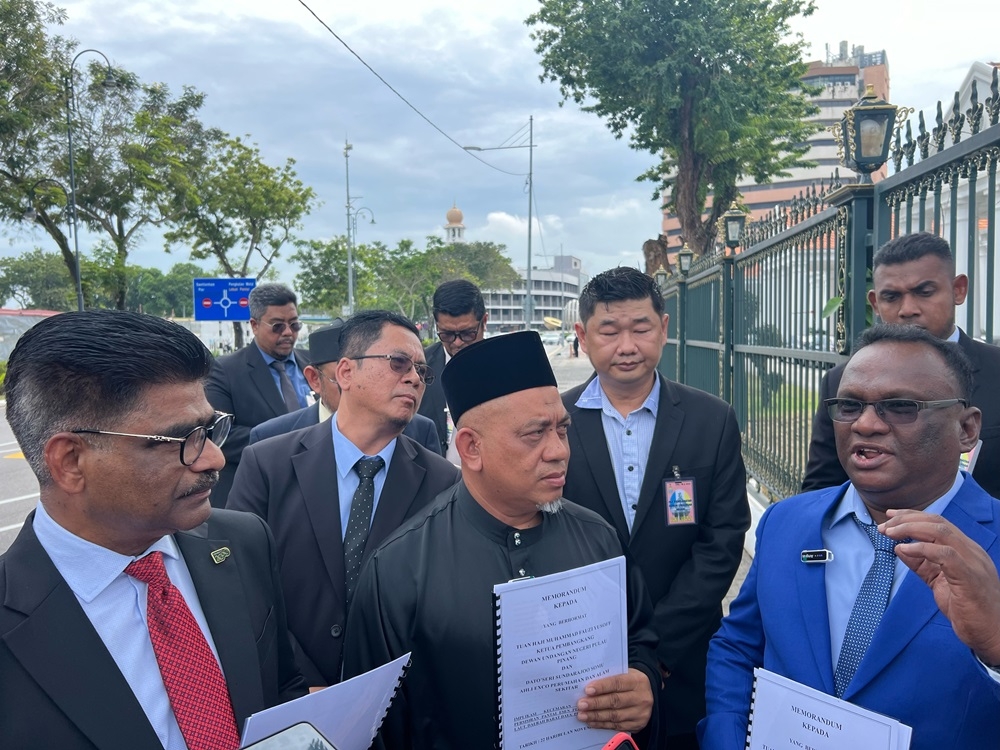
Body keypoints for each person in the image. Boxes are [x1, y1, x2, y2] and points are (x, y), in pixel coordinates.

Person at [0, 310, 305, 749]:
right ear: (70, 461)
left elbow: (280, 690)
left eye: (210, 430)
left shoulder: (244, 543)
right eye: (181, 440)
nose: (214, 459)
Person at [344, 331, 661, 750]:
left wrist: (642, 684)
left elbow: (639, 643)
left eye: (561, 430)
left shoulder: (599, 540)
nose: (558, 451)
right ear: (471, 448)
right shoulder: (399, 570)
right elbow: (372, 730)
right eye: (535, 434)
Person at [700, 324, 1000, 750]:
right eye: (850, 405)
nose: (866, 423)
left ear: (966, 429)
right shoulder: (785, 523)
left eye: (900, 407)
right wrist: (726, 739)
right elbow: (738, 648)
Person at [562, 266, 750, 749]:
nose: (627, 346)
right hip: (579, 671)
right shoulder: (554, 423)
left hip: (683, 664)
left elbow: (721, 542)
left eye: (641, 328)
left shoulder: (712, 420)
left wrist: (655, 657)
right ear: (583, 335)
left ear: (664, 328)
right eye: (609, 331)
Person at [227, 310, 461, 688]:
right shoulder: (268, 464)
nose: (415, 378)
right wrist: (300, 684)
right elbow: (241, 585)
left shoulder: (443, 481)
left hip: (396, 696)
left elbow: (443, 603)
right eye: (398, 362)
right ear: (346, 372)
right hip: (290, 695)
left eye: (421, 370)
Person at [803, 232, 1000, 497]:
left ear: (958, 290)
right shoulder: (842, 380)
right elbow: (820, 489)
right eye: (891, 297)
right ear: (875, 303)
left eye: (924, 292)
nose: (907, 309)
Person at [248, 319, 440, 453]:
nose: (414, 379)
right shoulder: (270, 439)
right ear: (314, 379)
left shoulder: (420, 431)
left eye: (421, 371)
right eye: (338, 380)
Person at [205, 283, 312, 507]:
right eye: (277, 326)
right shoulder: (226, 370)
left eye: (294, 324)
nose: (288, 333)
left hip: (313, 486)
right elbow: (220, 434)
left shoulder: (315, 363)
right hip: (259, 493)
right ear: (254, 325)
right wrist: (298, 441)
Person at [418, 279, 488, 459]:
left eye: (467, 333)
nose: (457, 342)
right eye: (447, 334)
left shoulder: (507, 366)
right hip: (433, 472)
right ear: (437, 326)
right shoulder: (419, 368)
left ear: (484, 321)